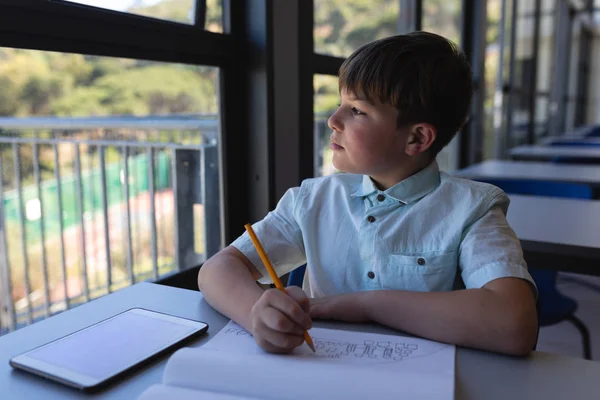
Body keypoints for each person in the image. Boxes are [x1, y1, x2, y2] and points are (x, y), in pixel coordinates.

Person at [198, 31, 538, 356]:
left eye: (357, 110)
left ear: (416, 139)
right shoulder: (313, 200)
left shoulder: (472, 208)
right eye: (340, 103)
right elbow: (217, 270)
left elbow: (514, 323)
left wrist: (365, 304)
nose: (333, 119)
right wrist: (256, 312)